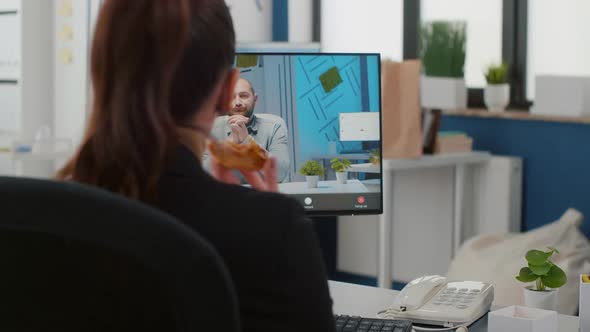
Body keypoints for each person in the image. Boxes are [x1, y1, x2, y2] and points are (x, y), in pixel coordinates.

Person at [57, 1, 335, 332]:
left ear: (103, 75)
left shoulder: (48, 216)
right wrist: (264, 220)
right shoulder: (277, 229)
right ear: (225, 93)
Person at [203, 77, 291, 182]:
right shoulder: (211, 128)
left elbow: (280, 174)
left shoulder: (275, 126)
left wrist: (247, 142)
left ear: (255, 99)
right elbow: (201, 175)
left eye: (244, 96)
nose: (237, 102)